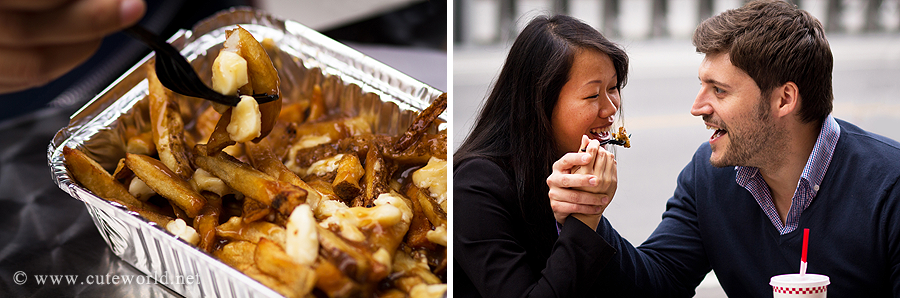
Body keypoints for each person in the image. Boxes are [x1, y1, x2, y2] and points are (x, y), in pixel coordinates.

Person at [548, 0, 900, 297]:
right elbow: (658, 282)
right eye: (702, 85)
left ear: (784, 99)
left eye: (718, 90)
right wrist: (589, 218)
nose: (697, 107)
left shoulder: (889, 185)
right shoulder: (709, 175)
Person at [454, 14, 629, 297]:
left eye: (613, 88)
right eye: (592, 95)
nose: (611, 109)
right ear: (540, 101)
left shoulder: (560, 170)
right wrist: (585, 215)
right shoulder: (475, 187)